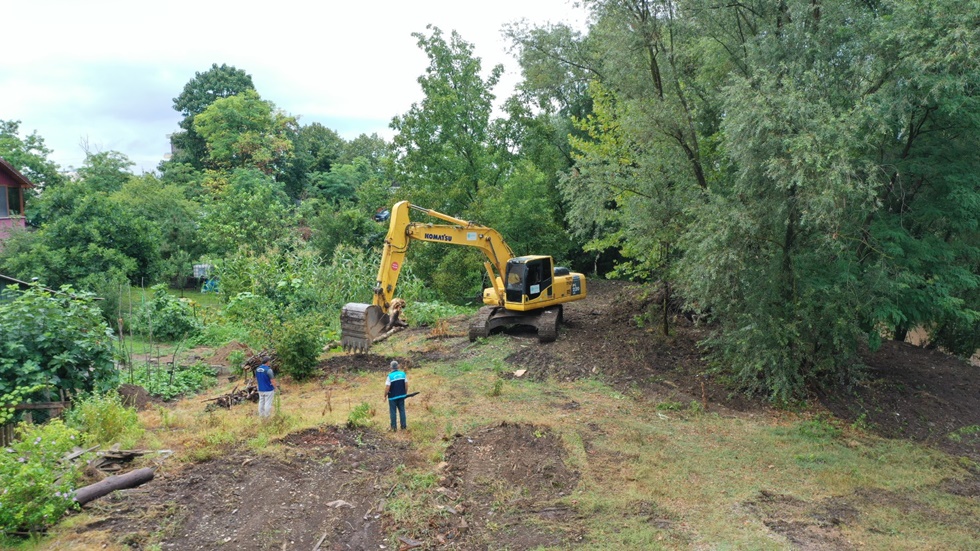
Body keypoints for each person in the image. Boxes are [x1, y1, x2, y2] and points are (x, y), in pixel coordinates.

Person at [384, 360, 408, 431]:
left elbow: (387, 387)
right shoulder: (403, 374)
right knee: (402, 410)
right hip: (401, 396)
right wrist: (405, 393)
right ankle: (403, 427)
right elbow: (406, 385)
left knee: (393, 412)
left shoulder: (390, 376)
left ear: (391, 367)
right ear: (398, 366)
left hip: (392, 397)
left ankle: (394, 428)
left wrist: (385, 395)